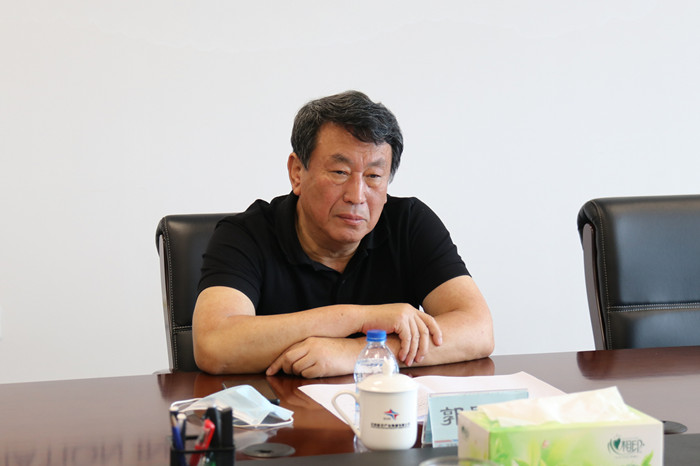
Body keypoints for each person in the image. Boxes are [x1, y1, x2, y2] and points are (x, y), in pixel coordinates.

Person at [192, 90, 494, 378]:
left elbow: (478, 331)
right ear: (297, 172)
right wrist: (359, 318)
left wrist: (357, 354)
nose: (357, 195)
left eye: (374, 176)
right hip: (280, 413)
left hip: (384, 411)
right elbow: (214, 346)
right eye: (340, 172)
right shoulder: (245, 235)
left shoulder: (409, 223)